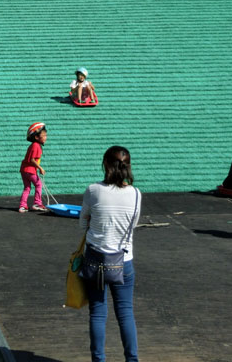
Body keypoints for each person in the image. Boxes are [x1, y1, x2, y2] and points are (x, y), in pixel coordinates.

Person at [79, 145, 142, 362]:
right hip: (123, 260)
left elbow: (82, 223)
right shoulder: (135, 194)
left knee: (97, 312)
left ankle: (99, 360)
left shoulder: (93, 190)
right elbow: (133, 225)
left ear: (105, 163)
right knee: (125, 313)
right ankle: (131, 360)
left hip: (95, 260)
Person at [19, 123, 48, 213]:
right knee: (39, 184)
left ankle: (22, 206)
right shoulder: (36, 146)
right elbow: (32, 160)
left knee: (27, 188)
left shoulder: (33, 145)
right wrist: (40, 168)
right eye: (44, 135)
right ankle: (37, 203)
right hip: (30, 170)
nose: (46, 137)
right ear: (36, 137)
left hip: (24, 170)